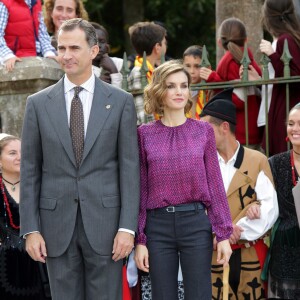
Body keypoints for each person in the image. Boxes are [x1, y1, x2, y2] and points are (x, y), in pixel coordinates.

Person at [19, 18, 140, 300]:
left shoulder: (120, 102)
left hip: (107, 228)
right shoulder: (37, 104)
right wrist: (31, 229)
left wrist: (127, 228)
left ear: (94, 51)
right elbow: (30, 170)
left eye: (74, 47)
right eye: (61, 48)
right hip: (54, 228)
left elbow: (130, 170)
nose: (66, 55)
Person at [134, 60, 233, 299]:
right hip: (157, 227)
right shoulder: (144, 134)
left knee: (199, 294)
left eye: (184, 85)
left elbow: (215, 184)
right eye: (171, 86)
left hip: (195, 223)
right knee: (162, 295)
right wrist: (140, 239)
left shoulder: (204, 132)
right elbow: (140, 189)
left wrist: (223, 234)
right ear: (159, 90)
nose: (179, 91)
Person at [200, 89, 279, 300]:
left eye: (207, 129)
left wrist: (239, 231)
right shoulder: (201, 162)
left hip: (249, 252)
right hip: (213, 253)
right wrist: (222, 232)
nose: (202, 135)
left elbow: (269, 208)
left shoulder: (257, 160)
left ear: (224, 127)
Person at [0, 134, 51, 300]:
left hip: (40, 261)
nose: (20, 157)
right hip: (5, 264)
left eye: (23, 151)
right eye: (12, 153)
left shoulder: (38, 185)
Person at [200, 17, 263, 149]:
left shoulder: (227, 61)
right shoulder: (249, 60)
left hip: (239, 131)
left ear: (219, 42)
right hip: (254, 127)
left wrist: (213, 79)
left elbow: (235, 99)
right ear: (246, 40)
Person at [265, 103, 300, 299]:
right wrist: (255, 207)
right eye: (291, 123)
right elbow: (263, 200)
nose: (295, 129)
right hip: (285, 249)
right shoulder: (275, 163)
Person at [259, 0, 300, 155]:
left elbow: (294, 77)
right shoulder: (292, 37)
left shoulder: (285, 40)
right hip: (289, 106)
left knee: (285, 159)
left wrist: (273, 55)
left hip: (287, 107)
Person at [128, 21, 167, 125]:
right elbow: (143, 112)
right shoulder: (139, 72)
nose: (165, 45)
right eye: (164, 43)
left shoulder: (153, 70)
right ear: (157, 48)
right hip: (151, 134)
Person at [0, 0, 56, 71]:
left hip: (35, 57)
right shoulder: (5, 3)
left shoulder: (36, 2)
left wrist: (49, 52)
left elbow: (42, 33)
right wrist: (8, 56)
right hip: (13, 59)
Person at [90, 21, 123, 88]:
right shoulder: (81, 69)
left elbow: (124, 94)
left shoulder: (119, 63)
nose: (98, 46)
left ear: (107, 46)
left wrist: (114, 71)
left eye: (102, 41)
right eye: (93, 41)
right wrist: (97, 84)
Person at [183, 45, 206, 119]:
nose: (192, 71)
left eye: (197, 66)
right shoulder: (178, 90)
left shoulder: (209, 91)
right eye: (188, 66)